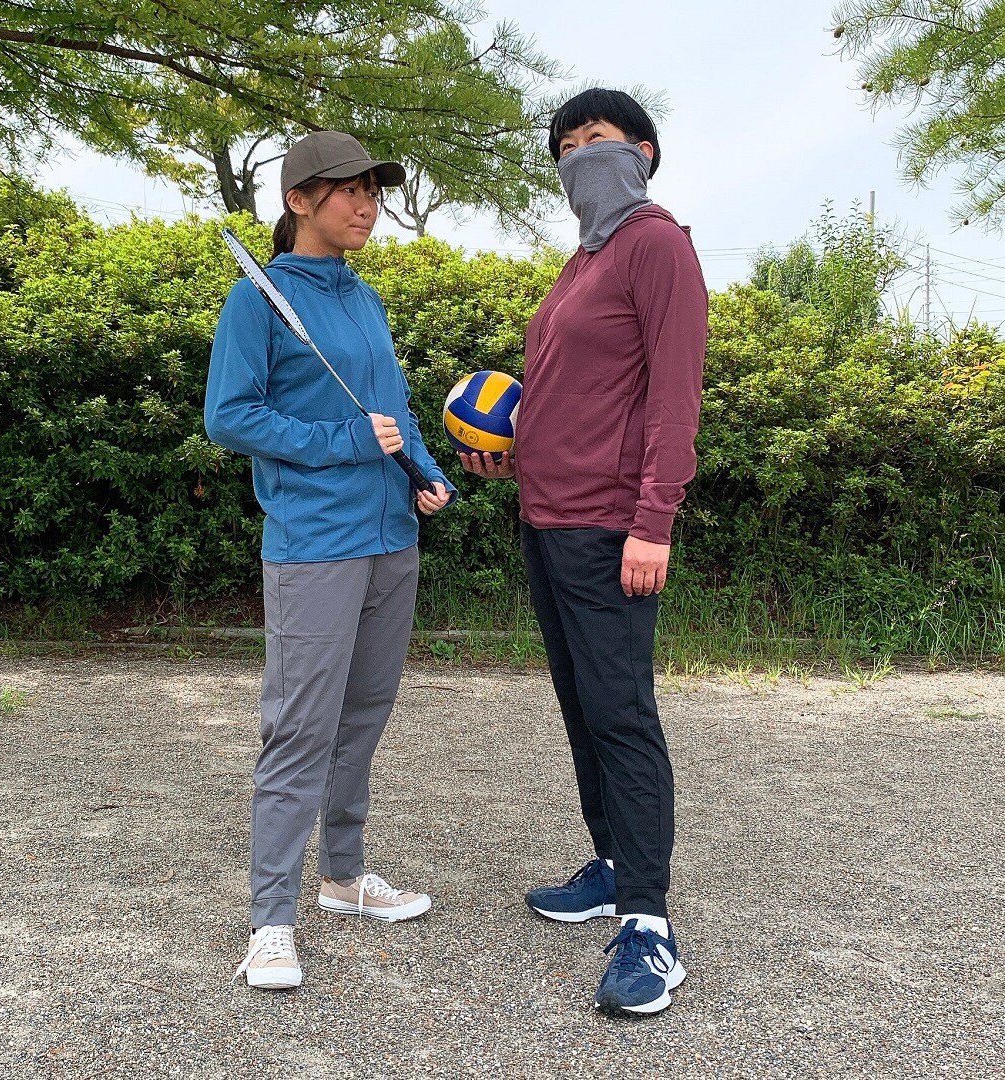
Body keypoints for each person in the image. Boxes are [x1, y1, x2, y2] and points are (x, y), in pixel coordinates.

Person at [460, 89, 708, 1016]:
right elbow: (576, 395)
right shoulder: (583, 262)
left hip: (611, 528)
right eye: (564, 147)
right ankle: (609, 866)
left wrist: (654, 521)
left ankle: (649, 924)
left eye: (595, 139)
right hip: (548, 518)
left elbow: (673, 398)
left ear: (643, 151)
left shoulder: (657, 244)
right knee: (582, 710)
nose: (578, 157)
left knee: (622, 716)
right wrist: (515, 453)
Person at [204, 131, 454, 990]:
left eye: (373, 191)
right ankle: (271, 920)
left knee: (364, 718)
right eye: (348, 190)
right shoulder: (258, 302)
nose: (366, 205)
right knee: (300, 728)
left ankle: (343, 878)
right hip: (315, 547)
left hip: (392, 540)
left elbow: (394, 412)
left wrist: (427, 473)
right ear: (300, 200)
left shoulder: (365, 298)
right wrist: (342, 440)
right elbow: (231, 416)